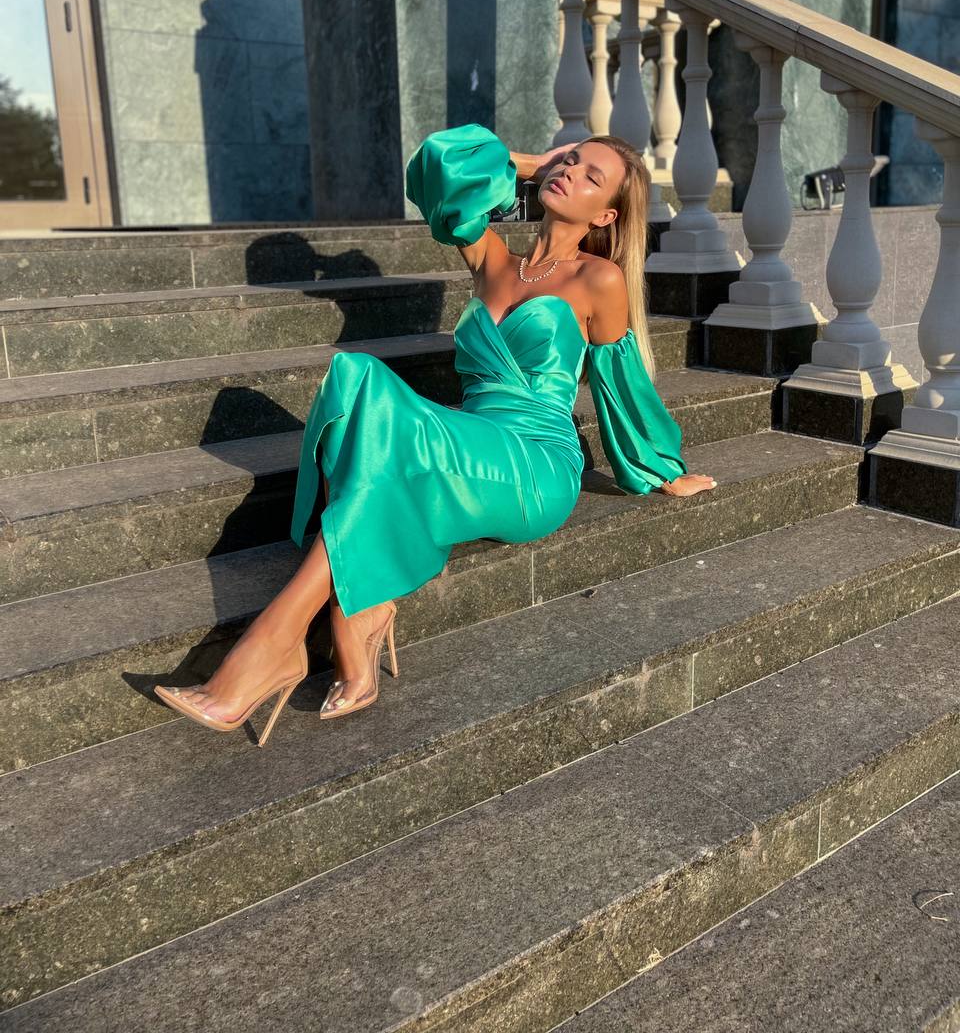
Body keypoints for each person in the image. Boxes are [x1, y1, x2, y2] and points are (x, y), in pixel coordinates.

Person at [153, 124, 717, 743]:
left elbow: (621, 381)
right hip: (468, 440)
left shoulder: (598, 280)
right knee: (355, 376)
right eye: (570, 160)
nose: (569, 173)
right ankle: (356, 616)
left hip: (535, 466)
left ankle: (277, 640)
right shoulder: (492, 259)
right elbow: (438, 163)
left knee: (396, 432)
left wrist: (660, 465)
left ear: (606, 214)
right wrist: (530, 161)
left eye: (589, 176)